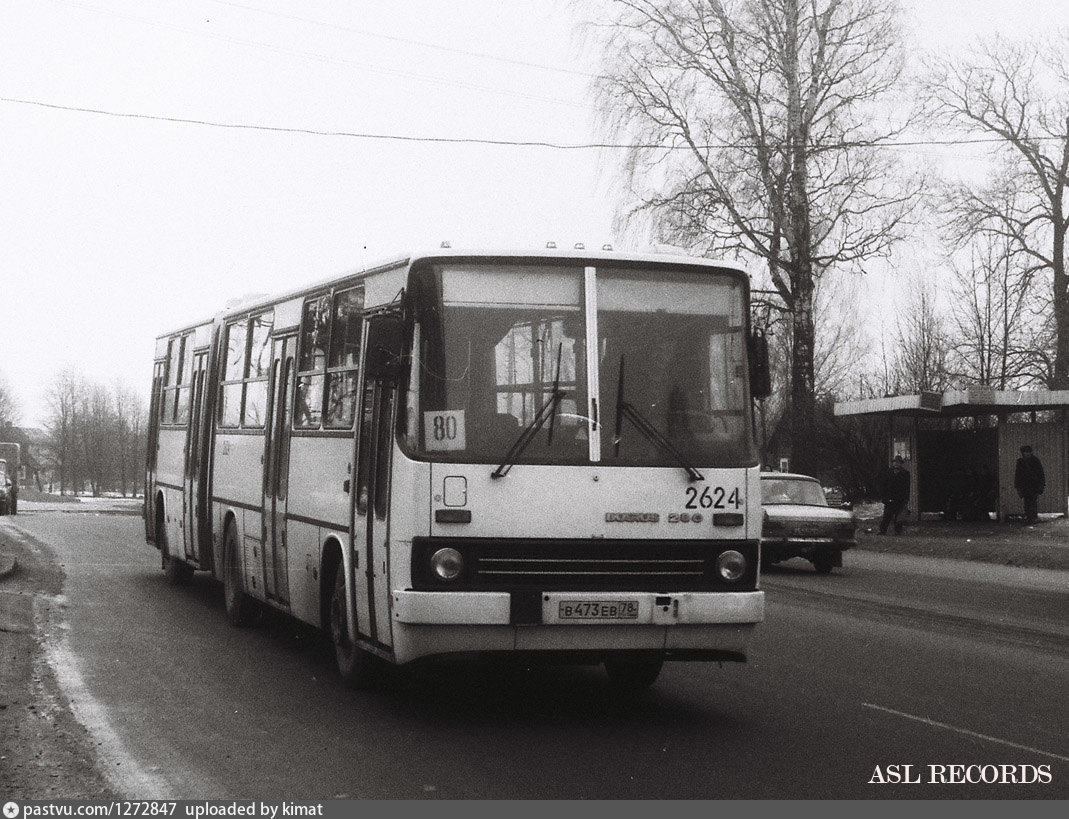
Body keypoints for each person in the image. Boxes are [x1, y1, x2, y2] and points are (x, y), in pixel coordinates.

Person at [879, 455, 910, 535]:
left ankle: (898, 531)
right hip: (889, 496)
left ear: (901, 464)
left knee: (899, 515)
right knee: (887, 515)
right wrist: (884, 497)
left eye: (898, 462)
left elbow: (907, 487)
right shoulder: (888, 473)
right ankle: (882, 530)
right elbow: (884, 485)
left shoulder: (905, 473)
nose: (896, 464)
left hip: (900, 497)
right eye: (895, 462)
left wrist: (906, 498)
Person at [1014, 445, 1045, 524]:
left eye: (1028, 452)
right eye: (1025, 452)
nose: (1027, 453)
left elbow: (1040, 473)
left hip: (1033, 485)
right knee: (1027, 502)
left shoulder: (1035, 461)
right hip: (1026, 485)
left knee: (1032, 501)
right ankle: (1029, 517)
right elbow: (1018, 475)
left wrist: (1041, 484)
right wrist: (1018, 486)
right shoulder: (1021, 462)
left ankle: (1032, 517)